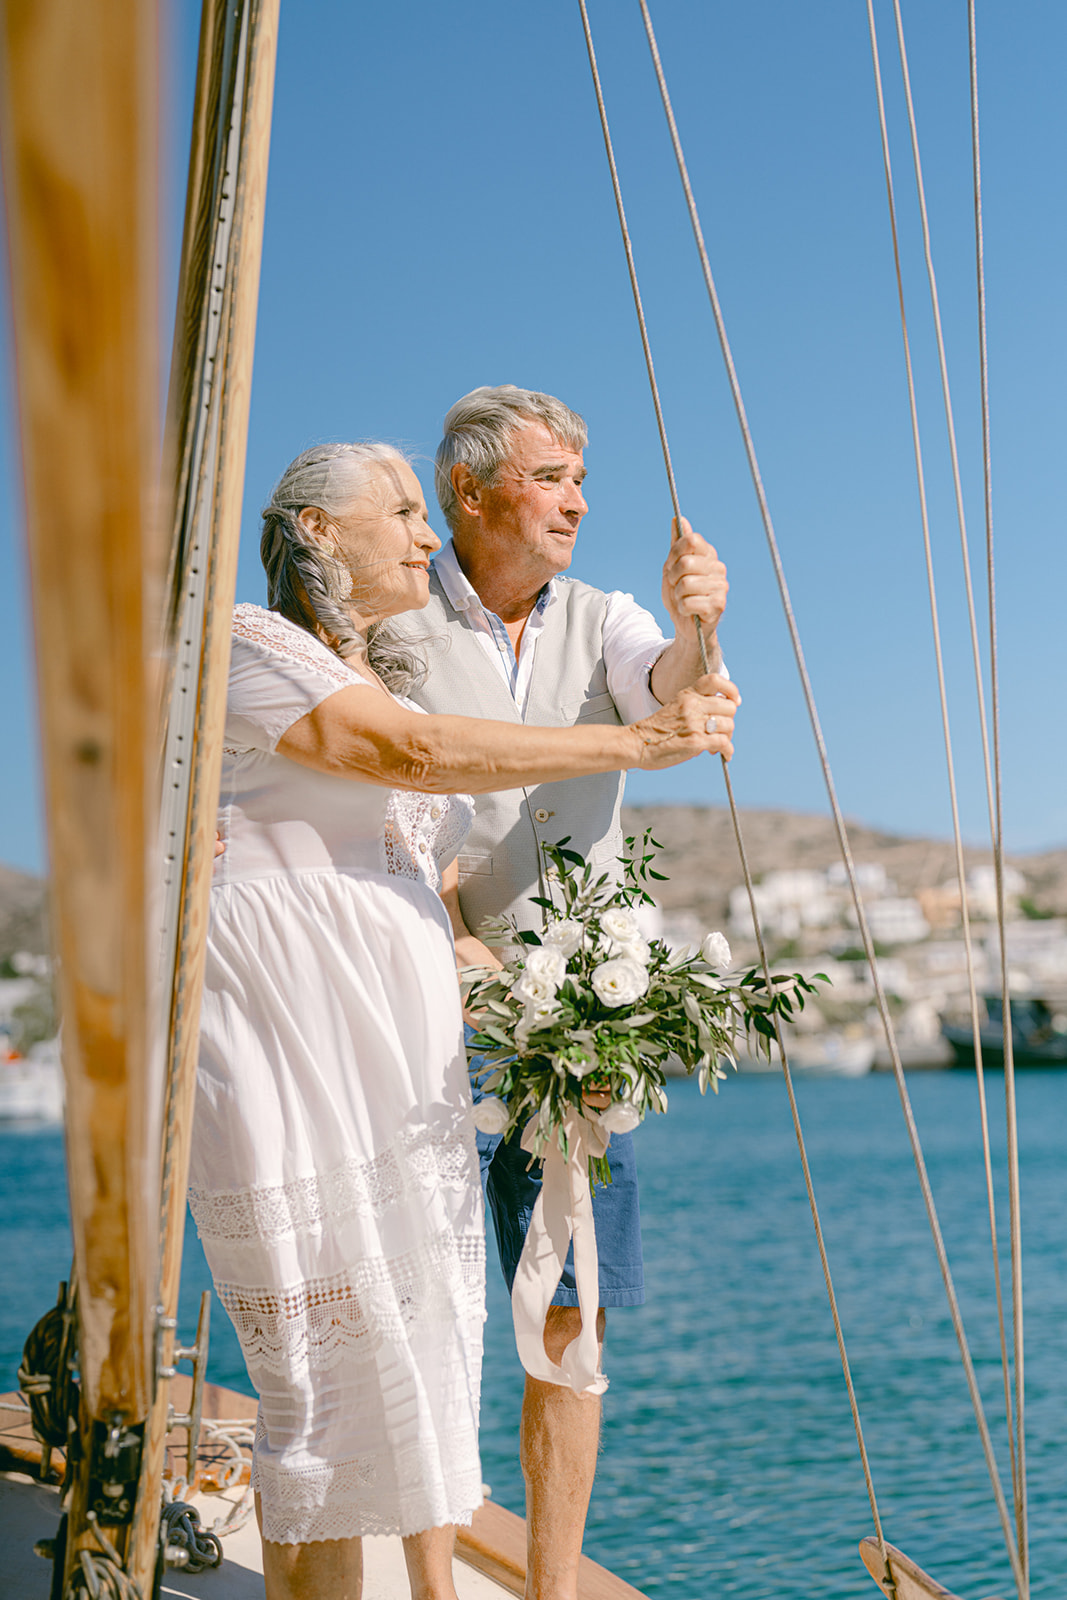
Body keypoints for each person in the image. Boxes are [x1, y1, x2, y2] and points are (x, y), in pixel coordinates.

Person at [188, 440, 739, 1600]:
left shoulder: (544, 628)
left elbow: (430, 878)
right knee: (324, 1371)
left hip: (412, 1056)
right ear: (320, 531)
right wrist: (635, 748)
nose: (422, 535)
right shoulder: (250, 640)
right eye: (400, 510)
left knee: (420, 1350)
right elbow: (410, 754)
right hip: (304, 1046)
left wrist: (549, 1018)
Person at [395, 386, 730, 1600]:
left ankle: (546, 1591)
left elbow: (669, 690)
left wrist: (701, 628)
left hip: (577, 1023)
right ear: (471, 493)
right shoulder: (394, 629)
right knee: (422, 1312)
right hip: (421, 1009)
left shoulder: (603, 617)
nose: (578, 500)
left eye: (581, 478)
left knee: (568, 1330)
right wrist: (445, 944)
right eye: (550, 477)